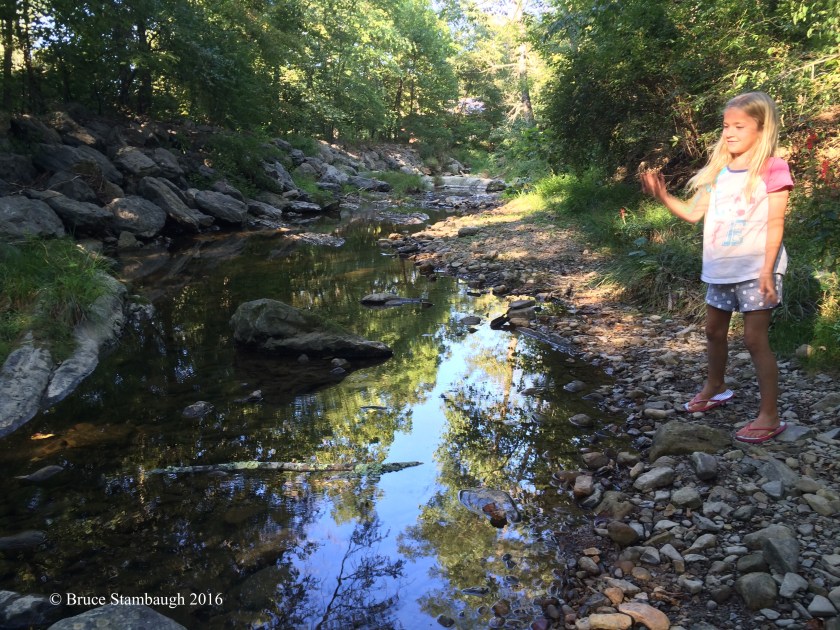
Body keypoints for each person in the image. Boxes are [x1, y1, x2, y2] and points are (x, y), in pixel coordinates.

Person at [640, 91, 793, 444]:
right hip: (720, 268)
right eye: (726, 126)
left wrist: (769, 269)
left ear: (762, 127)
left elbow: (776, 223)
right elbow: (694, 214)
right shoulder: (718, 172)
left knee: (755, 339)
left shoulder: (773, 167)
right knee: (713, 331)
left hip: (757, 268)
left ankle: (769, 415)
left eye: (739, 126)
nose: (729, 132)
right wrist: (663, 196)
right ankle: (717, 386)